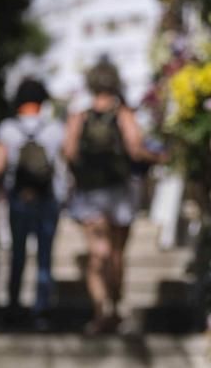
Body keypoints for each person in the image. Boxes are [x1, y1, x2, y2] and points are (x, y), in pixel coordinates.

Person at [63, 60, 165, 334]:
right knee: (117, 253)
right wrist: (160, 157)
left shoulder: (79, 116)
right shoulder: (124, 115)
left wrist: (80, 175)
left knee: (97, 254)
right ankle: (116, 308)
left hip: (89, 192)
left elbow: (69, 152)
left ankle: (100, 311)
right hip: (119, 190)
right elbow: (135, 149)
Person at [0, 78, 65, 328]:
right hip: (47, 199)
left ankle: (13, 305)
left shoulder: (7, 129)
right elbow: (64, 165)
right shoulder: (54, 128)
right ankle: (40, 309)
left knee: (18, 254)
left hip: (18, 199)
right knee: (44, 256)